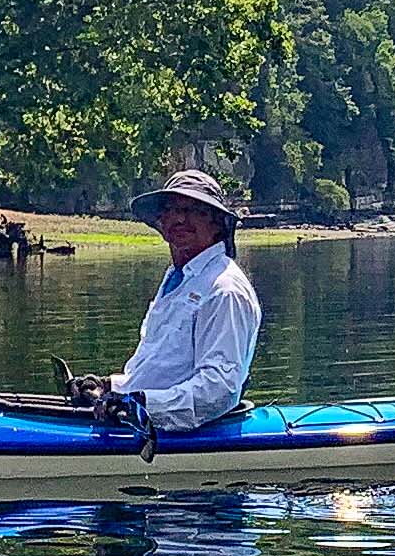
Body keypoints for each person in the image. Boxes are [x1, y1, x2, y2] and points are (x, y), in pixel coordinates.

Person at [69, 169, 263, 432]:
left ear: (217, 223)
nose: (181, 218)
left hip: (194, 436)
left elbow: (219, 390)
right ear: (161, 222)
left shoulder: (225, 289)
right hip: (148, 424)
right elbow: (161, 370)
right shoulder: (179, 277)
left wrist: (141, 405)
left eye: (195, 210)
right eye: (172, 209)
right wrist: (110, 386)